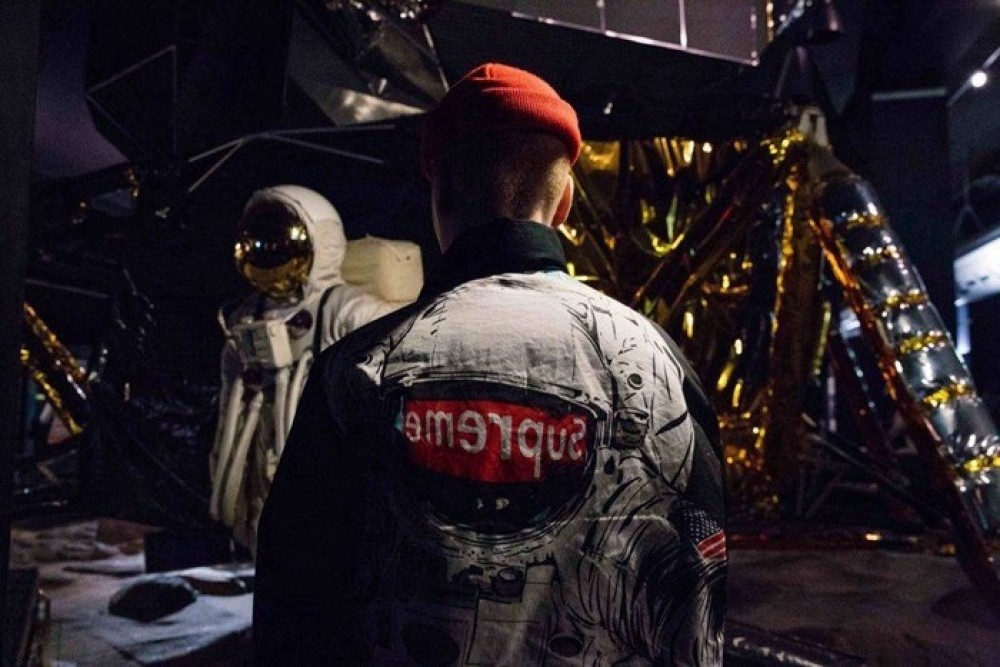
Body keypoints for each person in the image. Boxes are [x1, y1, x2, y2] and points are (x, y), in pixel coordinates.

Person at [254, 64, 726, 665]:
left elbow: (293, 613)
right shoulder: (661, 366)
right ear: (565, 202)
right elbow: (698, 607)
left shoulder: (355, 371)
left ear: (440, 190)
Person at [210, 185, 401, 550]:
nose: (267, 250)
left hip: (329, 482)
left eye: (280, 240)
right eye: (258, 241)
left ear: (320, 242)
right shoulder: (244, 319)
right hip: (266, 473)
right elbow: (228, 414)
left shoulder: (345, 310)